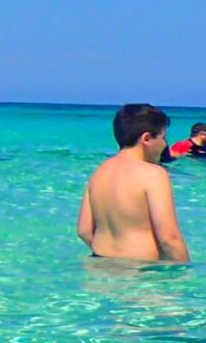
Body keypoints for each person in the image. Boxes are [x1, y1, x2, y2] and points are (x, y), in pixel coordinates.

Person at [80, 103, 190, 262]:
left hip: (100, 266)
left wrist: (113, 260)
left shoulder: (101, 171)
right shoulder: (153, 174)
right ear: (146, 138)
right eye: (163, 138)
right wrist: (185, 276)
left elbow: (84, 231)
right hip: (140, 273)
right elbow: (169, 238)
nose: (165, 144)